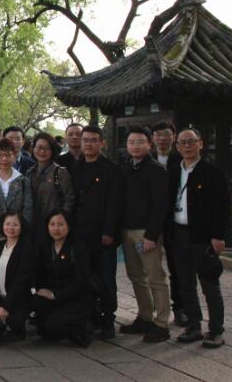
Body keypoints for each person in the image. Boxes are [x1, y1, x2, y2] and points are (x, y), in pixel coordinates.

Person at [169, 128, 230, 348]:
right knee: (185, 284)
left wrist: (218, 236)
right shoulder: (174, 172)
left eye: (191, 141)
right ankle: (194, 326)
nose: (187, 146)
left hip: (203, 238)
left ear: (200, 144)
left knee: (209, 285)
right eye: (183, 142)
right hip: (179, 234)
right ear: (177, 147)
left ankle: (216, 330)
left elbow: (223, 206)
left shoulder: (212, 171)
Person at [119, 126, 171, 342]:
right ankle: (145, 316)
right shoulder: (126, 168)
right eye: (131, 142)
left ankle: (162, 323)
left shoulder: (156, 170)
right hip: (127, 231)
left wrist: (152, 235)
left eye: (140, 142)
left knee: (155, 277)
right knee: (136, 276)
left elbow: (161, 205)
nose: (135, 146)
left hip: (145, 233)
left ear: (150, 144)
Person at [73, 126, 122, 339]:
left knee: (106, 279)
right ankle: (91, 316)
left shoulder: (111, 169)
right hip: (80, 233)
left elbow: (115, 203)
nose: (89, 144)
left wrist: (109, 231)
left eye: (93, 140)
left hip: (103, 234)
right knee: (85, 277)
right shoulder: (76, 166)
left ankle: (108, 318)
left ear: (102, 143)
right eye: (85, 140)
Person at [32, 209, 93, 347]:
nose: (56, 228)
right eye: (52, 224)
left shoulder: (77, 246)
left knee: (53, 324)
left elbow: (82, 281)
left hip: (76, 297)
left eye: (60, 224)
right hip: (54, 293)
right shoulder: (44, 245)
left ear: (68, 226)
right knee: (38, 308)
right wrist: (38, 290)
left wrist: (55, 295)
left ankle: (82, 328)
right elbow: (38, 273)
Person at [152, 120, 186, 327]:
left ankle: (180, 308)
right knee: (150, 268)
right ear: (152, 138)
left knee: (177, 267)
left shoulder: (181, 160)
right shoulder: (146, 159)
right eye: (158, 134)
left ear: (173, 137)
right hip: (151, 222)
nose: (162, 138)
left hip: (174, 221)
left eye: (166, 134)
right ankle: (151, 309)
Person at [0, 211, 35, 342]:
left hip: (17, 297)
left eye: (15, 224)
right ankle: (0, 326)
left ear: (22, 227)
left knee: (14, 321)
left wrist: (6, 306)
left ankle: (17, 329)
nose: (11, 227)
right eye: (7, 224)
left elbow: (21, 281)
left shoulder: (26, 248)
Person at [0, 138, 33, 248]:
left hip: (18, 236)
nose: (4, 159)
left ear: (14, 156)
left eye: (8, 155)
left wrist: (16, 233)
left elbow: (27, 210)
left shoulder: (23, 181)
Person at [27, 132, 76, 247]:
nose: (42, 151)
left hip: (54, 228)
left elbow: (70, 199)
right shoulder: (30, 172)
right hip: (34, 226)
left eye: (47, 148)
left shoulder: (60, 172)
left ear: (52, 150)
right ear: (33, 149)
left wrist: (59, 221)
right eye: (39, 147)